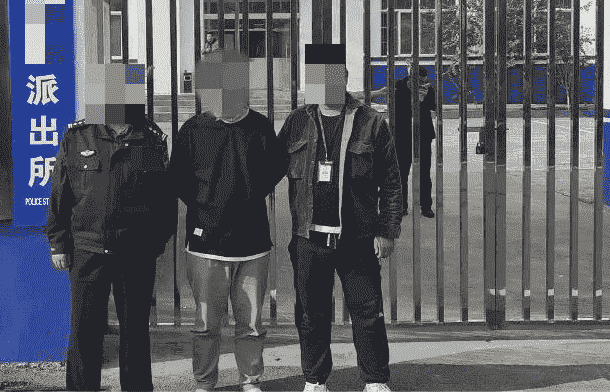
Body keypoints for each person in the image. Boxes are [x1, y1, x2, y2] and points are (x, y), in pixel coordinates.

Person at [277, 43, 404, 392]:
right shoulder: (298, 121)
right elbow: (269, 168)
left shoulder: (370, 122)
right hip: (309, 239)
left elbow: (392, 181)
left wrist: (387, 230)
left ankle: (375, 379)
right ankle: (315, 379)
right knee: (311, 314)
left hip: (357, 239)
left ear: (345, 78)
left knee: (368, 312)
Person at [44, 62, 177, 392]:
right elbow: (61, 192)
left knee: (135, 330)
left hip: (136, 252)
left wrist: (156, 243)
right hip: (88, 249)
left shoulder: (151, 139)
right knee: (84, 329)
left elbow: (165, 199)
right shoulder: (78, 136)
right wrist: (58, 243)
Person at [168, 48, 289, 392]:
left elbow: (276, 168)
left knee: (250, 323)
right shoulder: (193, 129)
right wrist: (206, 205)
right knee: (206, 323)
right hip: (205, 244)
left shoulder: (260, 127)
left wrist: (248, 195)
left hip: (253, 244)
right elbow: (177, 178)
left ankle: (250, 380)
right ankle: (204, 382)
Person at [394, 65, 436, 219]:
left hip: (423, 135)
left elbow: (434, 106)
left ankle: (426, 206)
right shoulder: (398, 86)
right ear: (411, 78)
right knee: (401, 172)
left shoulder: (427, 88)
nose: (422, 84)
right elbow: (396, 108)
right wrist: (414, 100)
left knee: (424, 172)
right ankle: (401, 206)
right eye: (419, 82)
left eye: (424, 81)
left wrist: (424, 98)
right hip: (403, 135)